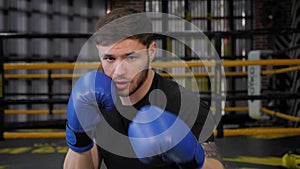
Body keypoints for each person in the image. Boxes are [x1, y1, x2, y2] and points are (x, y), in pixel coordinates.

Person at [63, 8, 224, 169]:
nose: (119, 71)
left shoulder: (185, 105)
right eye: (110, 58)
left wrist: (193, 158)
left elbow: (216, 165)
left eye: (130, 57)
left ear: (151, 51)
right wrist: (79, 140)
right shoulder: (97, 102)